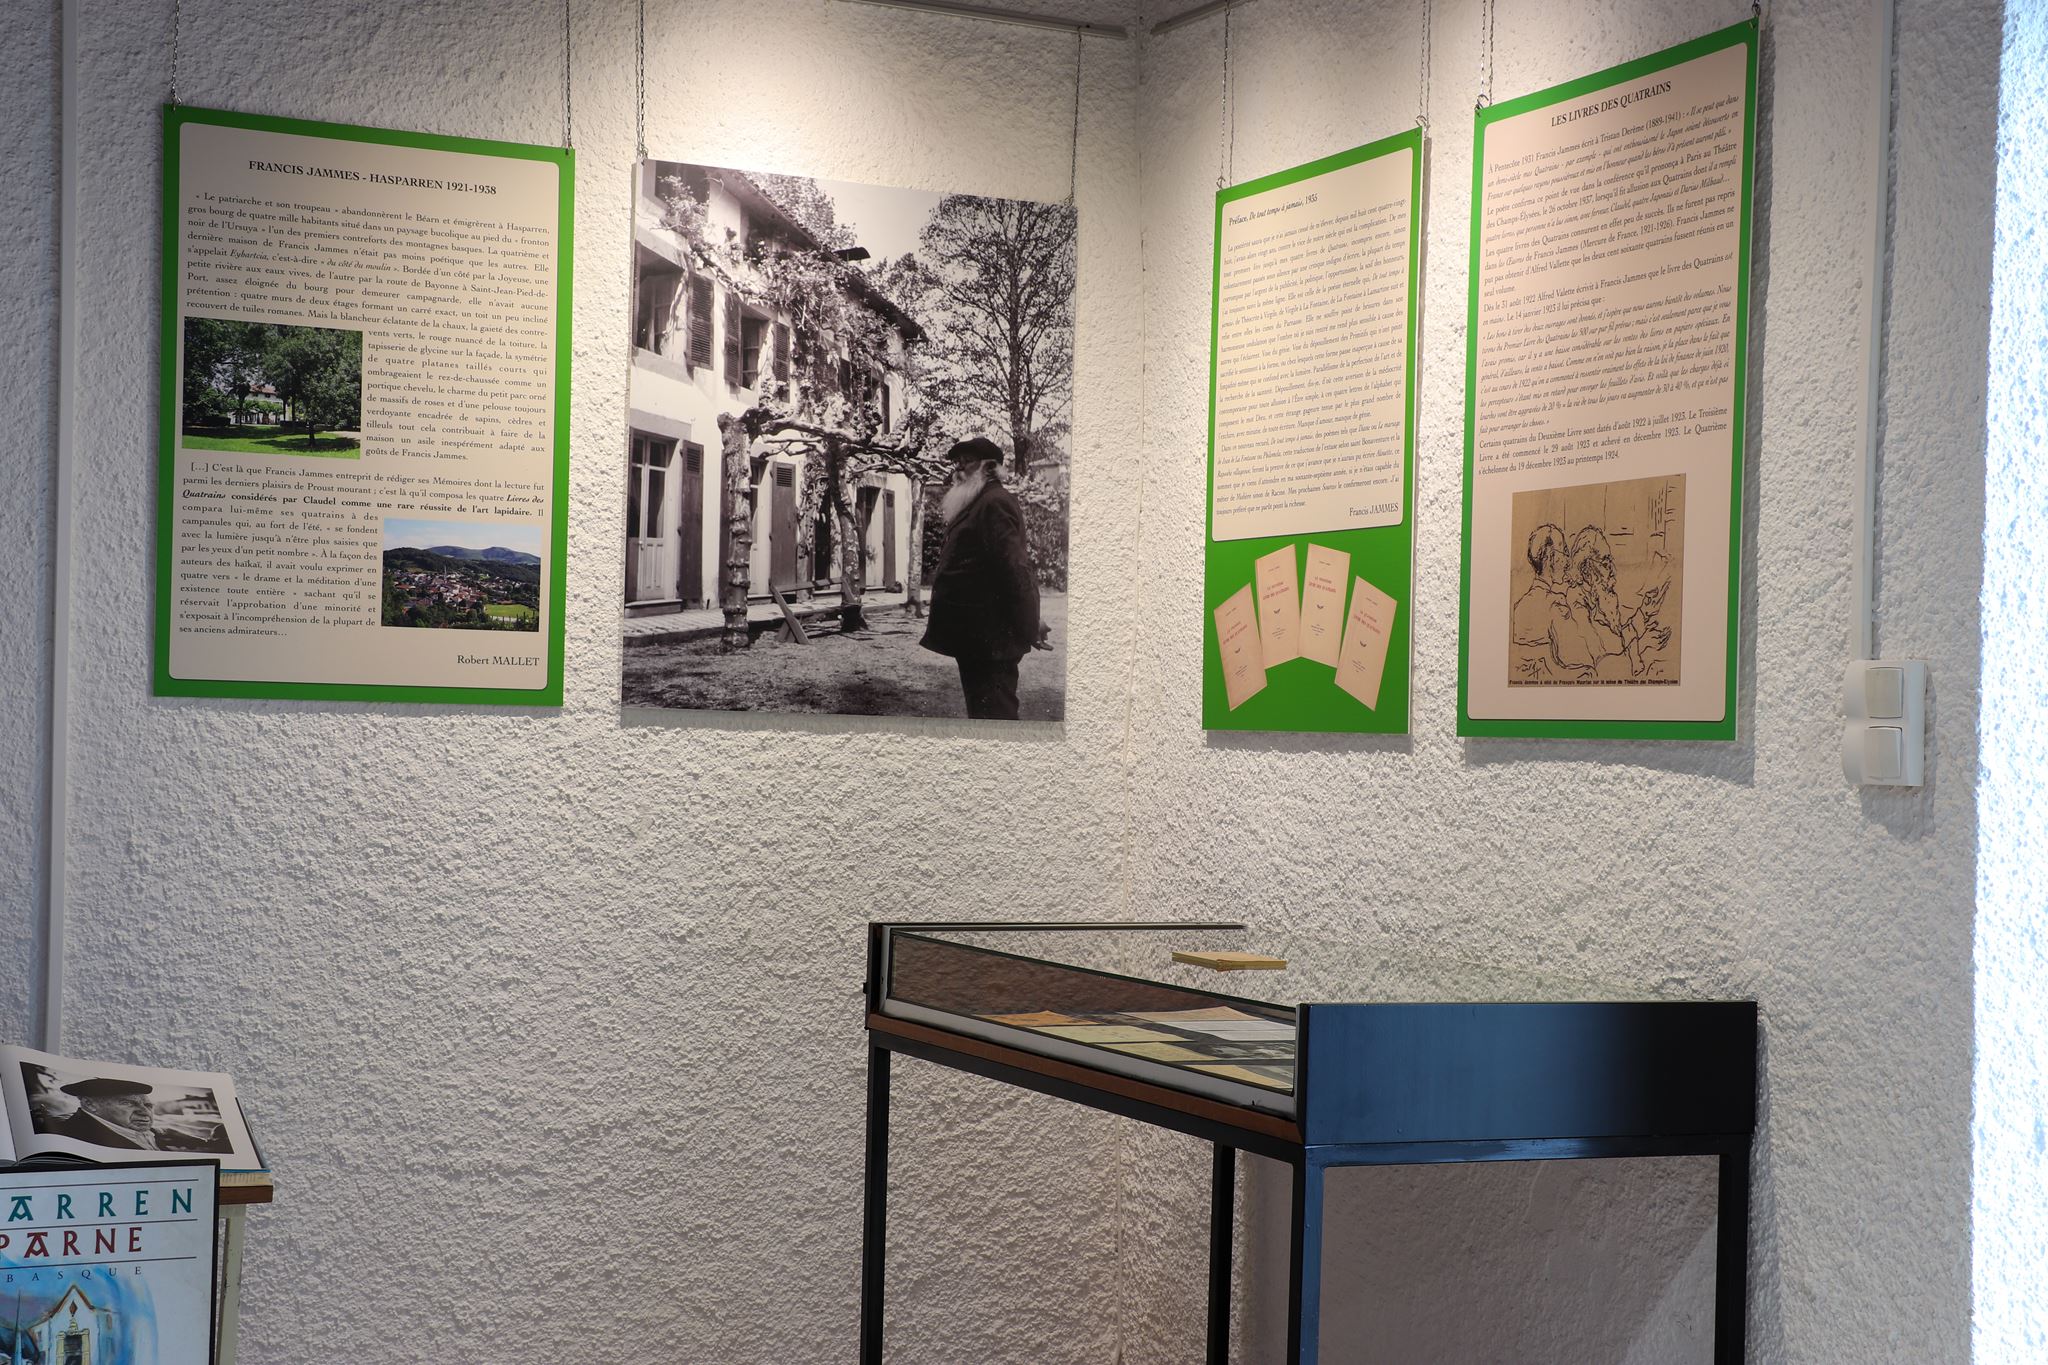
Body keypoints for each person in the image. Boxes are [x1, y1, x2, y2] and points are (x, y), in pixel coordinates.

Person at [921, 437, 1044, 720]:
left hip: (991, 642)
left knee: (996, 718)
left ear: (988, 467)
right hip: (977, 640)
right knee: (982, 715)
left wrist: (1030, 623)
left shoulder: (995, 503)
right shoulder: (978, 502)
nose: (958, 468)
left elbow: (1015, 570)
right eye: (957, 461)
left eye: (967, 461)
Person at [46, 1077, 163, 1150]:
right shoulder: (68, 1138)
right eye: (128, 1103)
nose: (145, 1112)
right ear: (90, 1104)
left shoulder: (159, 1134)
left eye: (148, 1105)